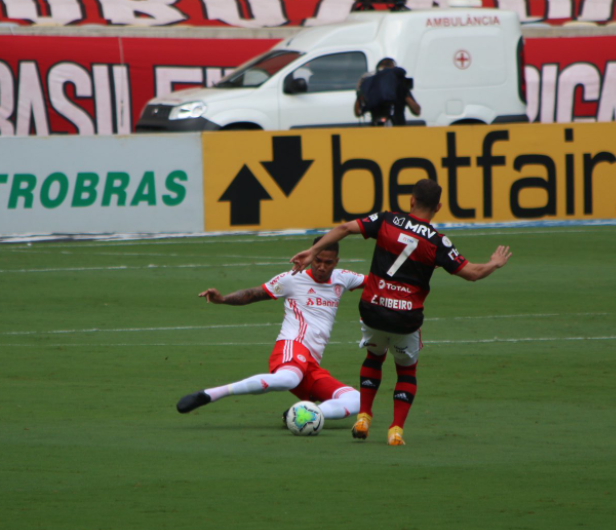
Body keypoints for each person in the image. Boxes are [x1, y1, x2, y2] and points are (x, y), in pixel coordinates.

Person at [290, 179, 512, 446]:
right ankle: (396, 430)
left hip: (373, 309)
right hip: (406, 318)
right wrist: (494, 263)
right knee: (406, 372)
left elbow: (344, 228)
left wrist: (313, 250)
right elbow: (472, 274)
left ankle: (364, 417)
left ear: (411, 200)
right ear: (438, 207)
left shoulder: (387, 220)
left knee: (374, 358)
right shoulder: (438, 242)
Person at [177, 238, 365, 423]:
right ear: (311, 257)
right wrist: (224, 299)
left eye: (328, 262)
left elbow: (380, 283)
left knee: (358, 400)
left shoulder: (343, 278)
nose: (322, 267)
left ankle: (305, 413)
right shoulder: (292, 278)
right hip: (292, 346)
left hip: (311, 364)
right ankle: (210, 394)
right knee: (288, 379)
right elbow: (253, 294)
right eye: (318, 260)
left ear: (336, 262)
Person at [354, 58, 421, 127]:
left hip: (376, 128)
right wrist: (405, 93)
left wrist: (360, 91)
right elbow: (416, 111)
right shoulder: (399, 84)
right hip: (398, 129)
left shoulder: (371, 84)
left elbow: (357, 112)